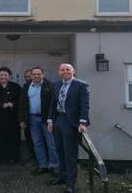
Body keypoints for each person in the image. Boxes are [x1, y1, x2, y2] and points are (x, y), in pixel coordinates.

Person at [47, 64, 90, 193]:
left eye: (67, 69)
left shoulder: (81, 85)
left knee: (70, 153)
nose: (65, 71)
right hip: (58, 120)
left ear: (73, 71)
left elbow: (85, 105)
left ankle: (70, 183)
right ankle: (62, 176)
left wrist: (83, 122)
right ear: (59, 72)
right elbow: (52, 104)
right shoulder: (56, 84)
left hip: (72, 123)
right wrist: (50, 120)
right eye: (62, 70)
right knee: (59, 150)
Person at [19, 67, 58, 175]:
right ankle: (42, 165)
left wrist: (51, 118)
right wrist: (22, 119)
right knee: (37, 143)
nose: (36, 76)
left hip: (46, 119)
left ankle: (54, 165)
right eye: (34, 74)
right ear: (31, 76)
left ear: (43, 75)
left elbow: (53, 104)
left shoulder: (50, 86)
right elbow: (22, 104)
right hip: (32, 118)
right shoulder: (26, 86)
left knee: (51, 143)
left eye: (38, 74)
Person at [0, 67, 22, 164]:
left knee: (12, 137)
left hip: (12, 117)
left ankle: (12, 158)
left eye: (5, 75)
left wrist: (13, 104)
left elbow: (21, 100)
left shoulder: (16, 86)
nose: (3, 77)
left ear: (9, 76)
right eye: (1, 75)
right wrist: (1, 105)